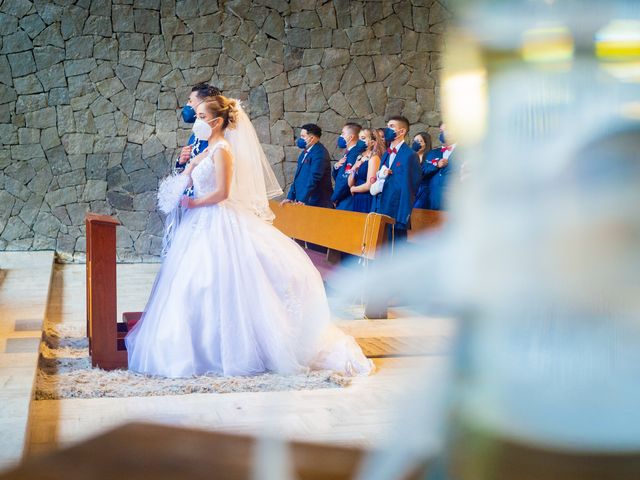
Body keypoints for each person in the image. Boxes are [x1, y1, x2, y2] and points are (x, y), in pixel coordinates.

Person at [126, 96, 374, 378]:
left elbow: (222, 192)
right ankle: (192, 345)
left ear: (217, 121)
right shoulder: (208, 148)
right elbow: (192, 174)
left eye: (202, 117)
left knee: (219, 281)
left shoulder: (223, 150)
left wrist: (193, 203)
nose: (197, 122)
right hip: (199, 222)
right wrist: (184, 175)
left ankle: (233, 348)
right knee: (193, 282)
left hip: (217, 217)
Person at [370, 116, 421, 242]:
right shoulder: (387, 153)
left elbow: (410, 187)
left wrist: (403, 216)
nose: (388, 129)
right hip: (380, 205)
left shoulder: (410, 155)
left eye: (392, 126)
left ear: (402, 131)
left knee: (394, 249)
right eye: (388, 126)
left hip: (395, 210)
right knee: (378, 246)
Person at [174, 83, 222, 174]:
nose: (187, 105)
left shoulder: (219, 141)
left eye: (190, 101)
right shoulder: (195, 136)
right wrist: (181, 162)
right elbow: (183, 177)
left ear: (204, 103)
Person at [281, 123, 332, 208]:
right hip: (303, 201)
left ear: (312, 138)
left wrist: (303, 199)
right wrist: (290, 197)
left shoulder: (320, 154)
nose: (300, 139)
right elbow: (297, 178)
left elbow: (314, 178)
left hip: (315, 202)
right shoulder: (305, 152)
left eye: (303, 136)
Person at [331, 123, 367, 210]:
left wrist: (335, 198)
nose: (341, 136)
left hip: (347, 201)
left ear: (351, 137)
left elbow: (345, 179)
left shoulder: (354, 153)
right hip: (344, 199)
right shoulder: (348, 153)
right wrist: (336, 167)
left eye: (343, 133)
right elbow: (339, 176)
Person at [348, 128, 383, 213]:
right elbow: (350, 183)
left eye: (363, 138)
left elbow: (369, 185)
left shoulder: (374, 158)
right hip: (357, 197)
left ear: (372, 142)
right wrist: (354, 168)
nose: (359, 141)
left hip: (366, 198)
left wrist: (353, 189)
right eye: (359, 138)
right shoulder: (359, 157)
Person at [427, 122, 457, 210]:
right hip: (433, 201)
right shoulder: (433, 153)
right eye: (441, 131)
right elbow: (423, 171)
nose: (443, 133)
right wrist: (436, 165)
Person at [411, 132, 437, 209]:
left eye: (420, 141)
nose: (417, 143)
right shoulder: (410, 157)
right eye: (415, 141)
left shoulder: (430, 156)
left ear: (426, 143)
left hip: (424, 191)